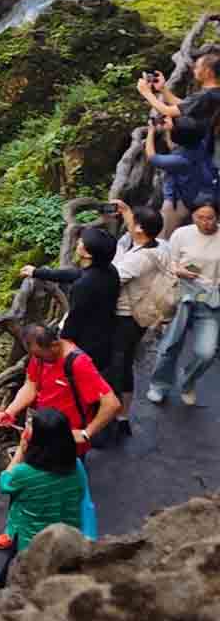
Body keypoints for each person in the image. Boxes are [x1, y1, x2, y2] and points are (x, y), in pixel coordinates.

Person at [0, 322, 115, 549]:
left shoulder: (79, 364)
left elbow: (111, 403)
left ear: (54, 345)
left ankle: (52, 539)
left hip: (67, 441)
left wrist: (86, 433)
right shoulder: (40, 357)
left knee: (55, 490)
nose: (36, 359)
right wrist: (11, 411)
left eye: (39, 355)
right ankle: (13, 531)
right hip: (41, 434)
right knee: (25, 486)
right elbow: (31, 385)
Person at [19, 226, 120, 420]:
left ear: (88, 253)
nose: (78, 243)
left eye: (82, 242)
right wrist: (38, 272)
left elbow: (75, 318)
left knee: (78, 385)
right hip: (105, 334)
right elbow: (75, 274)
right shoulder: (108, 270)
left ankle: (83, 421)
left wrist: (60, 345)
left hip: (88, 342)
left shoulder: (85, 286)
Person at [0, 407, 85, 602]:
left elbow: (5, 482)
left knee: (15, 584)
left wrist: (20, 452)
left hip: (31, 542)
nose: (25, 428)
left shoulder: (24, 474)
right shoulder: (76, 466)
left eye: (29, 425)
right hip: (65, 537)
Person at [147, 197, 220, 407]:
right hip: (183, 294)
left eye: (210, 218)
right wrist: (177, 269)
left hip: (211, 299)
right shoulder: (182, 234)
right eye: (200, 217)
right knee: (170, 345)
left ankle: (188, 381)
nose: (205, 222)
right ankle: (159, 385)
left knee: (207, 352)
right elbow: (169, 262)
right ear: (193, 216)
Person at [110, 201, 175, 435]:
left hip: (127, 317)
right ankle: (121, 415)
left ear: (139, 230)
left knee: (119, 364)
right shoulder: (162, 246)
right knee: (123, 362)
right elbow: (137, 233)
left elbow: (113, 278)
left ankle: (116, 417)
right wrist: (128, 213)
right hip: (141, 315)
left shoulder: (140, 258)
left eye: (133, 224)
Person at [146, 116, 218, 236]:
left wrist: (151, 131)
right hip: (207, 193)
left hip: (180, 200)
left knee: (163, 236)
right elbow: (175, 146)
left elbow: (151, 157)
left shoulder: (181, 160)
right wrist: (170, 129)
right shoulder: (202, 142)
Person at [137, 47, 220, 141]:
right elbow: (186, 105)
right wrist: (162, 89)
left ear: (208, 72)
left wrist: (146, 93)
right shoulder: (213, 92)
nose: (194, 70)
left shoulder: (205, 95)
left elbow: (167, 111)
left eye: (197, 67)